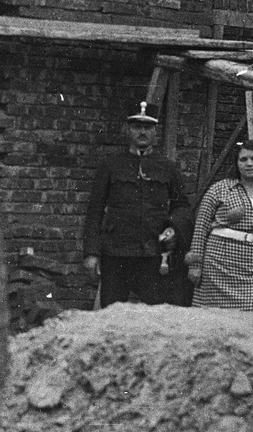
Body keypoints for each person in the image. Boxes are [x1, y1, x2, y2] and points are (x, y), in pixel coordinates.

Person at [81, 102, 194, 308]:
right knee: (111, 312)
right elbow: (95, 210)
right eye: (136, 127)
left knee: (155, 314)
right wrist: (91, 253)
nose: (142, 132)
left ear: (155, 131)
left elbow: (182, 206)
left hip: (153, 255)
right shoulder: (111, 165)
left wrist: (173, 228)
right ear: (127, 129)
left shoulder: (167, 167)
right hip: (116, 253)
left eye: (148, 127)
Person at [187, 139, 253, 311]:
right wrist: (196, 265)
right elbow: (201, 228)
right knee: (213, 318)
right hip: (219, 265)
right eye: (243, 159)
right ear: (236, 163)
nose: (249, 163)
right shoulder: (219, 189)